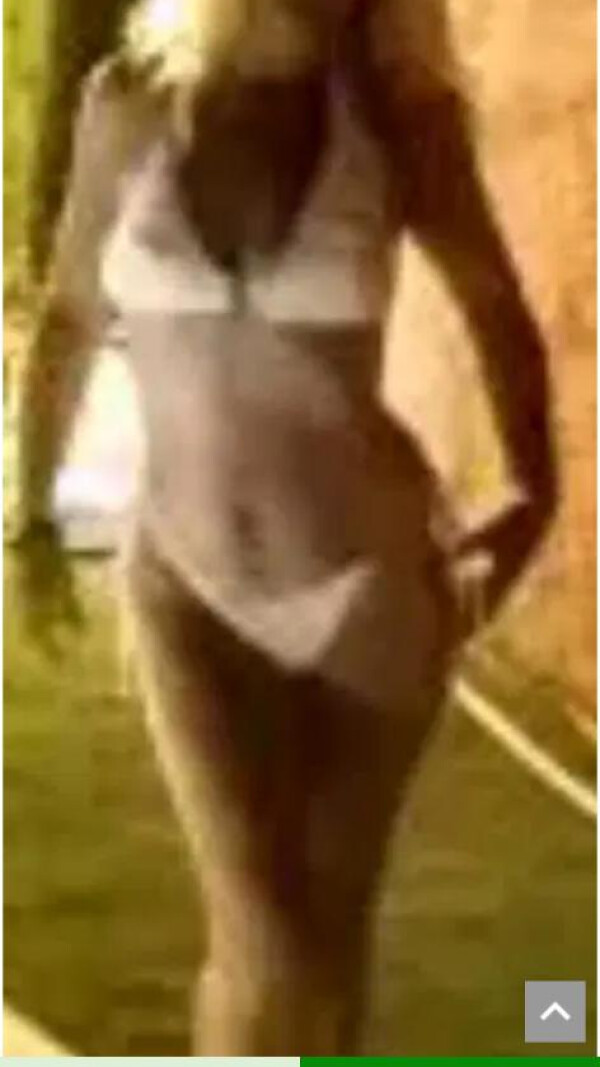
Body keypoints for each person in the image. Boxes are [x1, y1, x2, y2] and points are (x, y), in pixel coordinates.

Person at [12, 0, 556, 1053]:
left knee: (322, 946)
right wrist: (30, 522)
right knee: (270, 940)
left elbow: (496, 310)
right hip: (185, 583)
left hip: (368, 592)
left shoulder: (400, 121)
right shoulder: (127, 102)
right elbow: (72, 315)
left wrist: (536, 493)